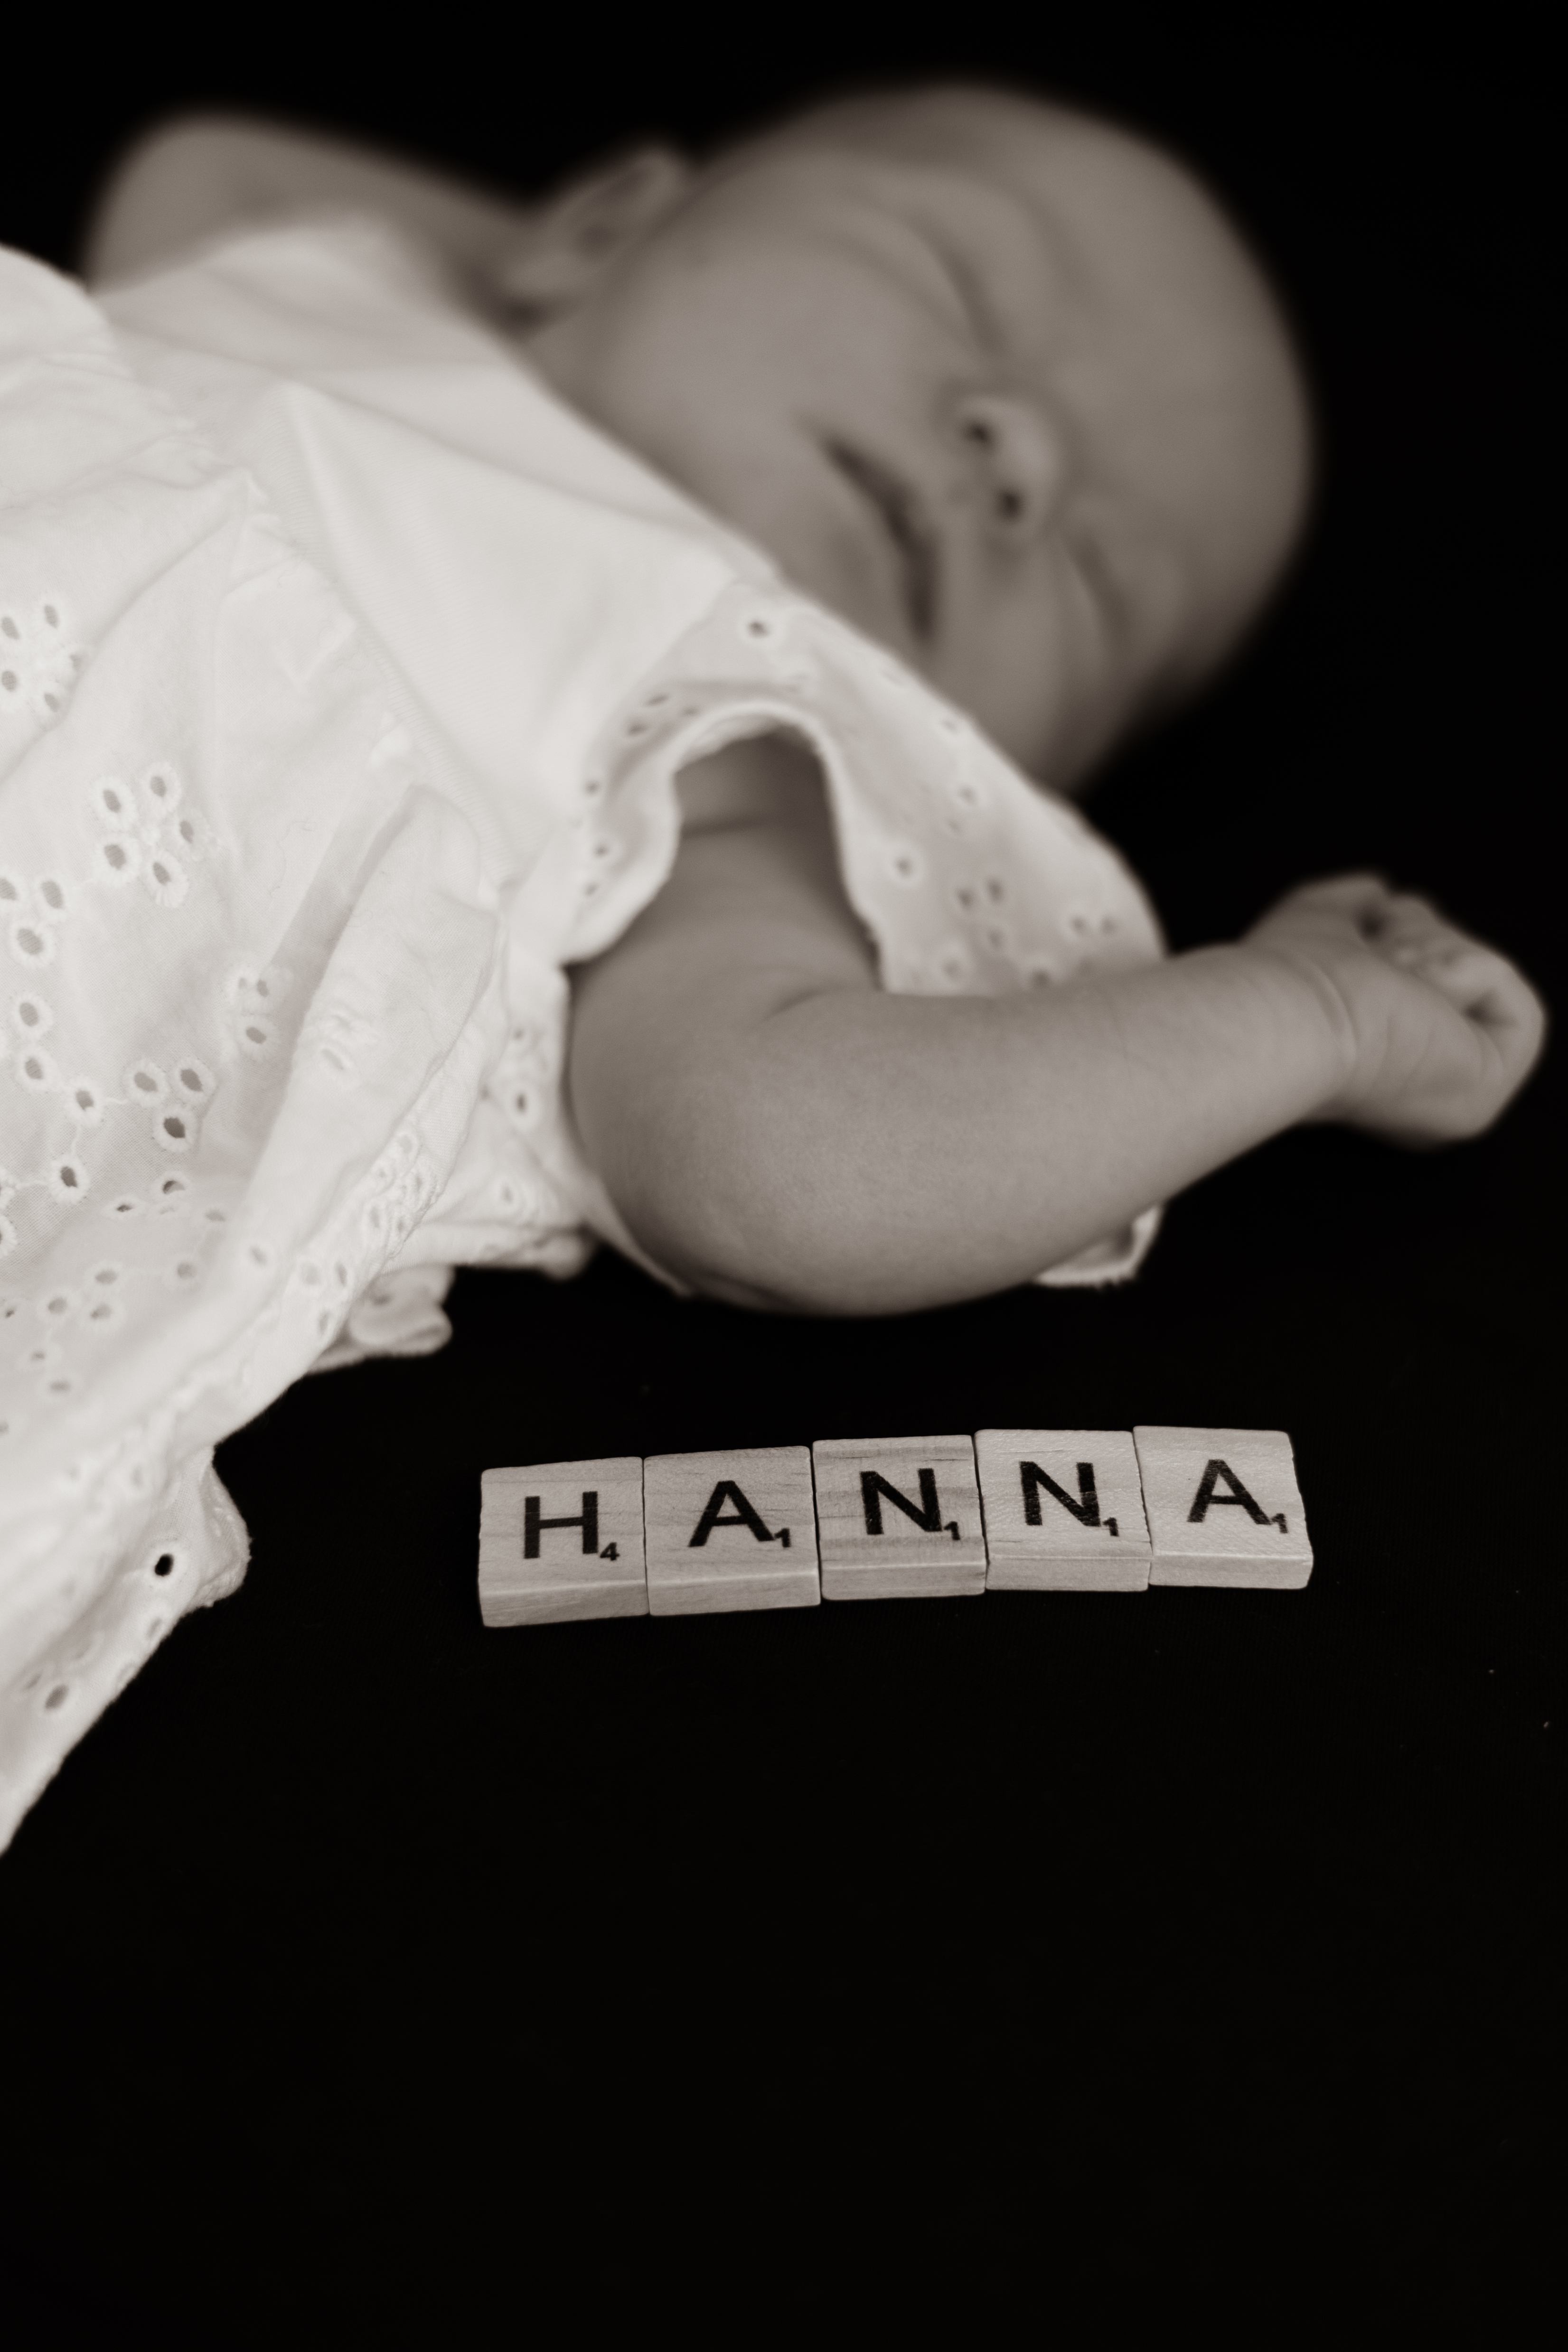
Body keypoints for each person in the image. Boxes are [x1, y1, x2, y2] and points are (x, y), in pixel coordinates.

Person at [0, 85, 1542, 1842]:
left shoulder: (737, 745)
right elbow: (209, 158)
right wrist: (598, 276)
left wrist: (1309, 1013)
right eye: (955, 283)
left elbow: (771, 1163)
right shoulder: (327, 287)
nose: (1022, 458)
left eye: (1099, 584)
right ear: (594, 214)